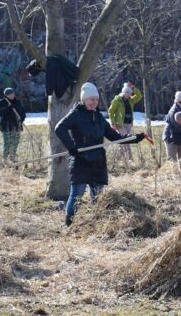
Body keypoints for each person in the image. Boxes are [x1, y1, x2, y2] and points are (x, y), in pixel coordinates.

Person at [55, 82, 148, 226]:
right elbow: (59, 128)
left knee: (98, 196)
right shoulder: (75, 114)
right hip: (80, 160)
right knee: (76, 195)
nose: (94, 102)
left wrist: (135, 138)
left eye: (96, 99)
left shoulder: (99, 117)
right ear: (84, 100)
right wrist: (71, 147)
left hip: (98, 161)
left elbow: (114, 137)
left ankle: (95, 224)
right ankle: (68, 225)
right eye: (91, 99)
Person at [107, 81, 143, 163]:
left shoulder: (130, 100)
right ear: (123, 92)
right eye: (127, 93)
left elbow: (139, 96)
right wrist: (113, 123)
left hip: (129, 123)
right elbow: (111, 111)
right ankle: (129, 159)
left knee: (125, 140)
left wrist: (133, 88)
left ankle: (120, 159)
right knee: (126, 140)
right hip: (120, 124)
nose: (129, 94)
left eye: (130, 93)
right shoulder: (117, 100)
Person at [0, 87, 26, 163]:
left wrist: (22, 119)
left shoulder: (18, 102)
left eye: (13, 93)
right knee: (7, 143)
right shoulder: (2, 102)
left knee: (15, 143)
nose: (12, 95)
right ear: (6, 95)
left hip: (17, 126)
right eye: (10, 94)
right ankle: (4, 160)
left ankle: (13, 158)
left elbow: (23, 112)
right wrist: (7, 108)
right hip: (7, 126)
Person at [163, 91, 181, 166]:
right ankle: (173, 176)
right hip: (171, 138)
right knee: (172, 162)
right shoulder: (173, 112)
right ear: (176, 101)